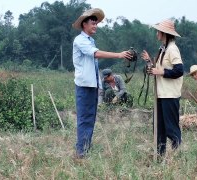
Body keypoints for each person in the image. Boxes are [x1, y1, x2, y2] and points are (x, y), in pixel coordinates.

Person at [72, 8, 132, 158]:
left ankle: (85, 147)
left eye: (96, 24)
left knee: (90, 118)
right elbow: (96, 53)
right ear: (84, 24)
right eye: (93, 23)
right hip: (84, 86)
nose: (95, 26)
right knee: (85, 118)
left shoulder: (91, 41)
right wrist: (119, 55)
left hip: (93, 85)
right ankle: (81, 151)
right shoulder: (80, 40)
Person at [141, 19, 184, 156]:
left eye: (158, 31)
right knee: (159, 128)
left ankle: (177, 156)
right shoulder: (162, 48)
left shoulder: (172, 49)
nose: (156, 34)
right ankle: (160, 156)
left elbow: (179, 71)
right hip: (160, 94)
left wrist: (161, 72)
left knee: (171, 128)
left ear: (164, 33)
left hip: (170, 95)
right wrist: (149, 62)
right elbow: (157, 69)